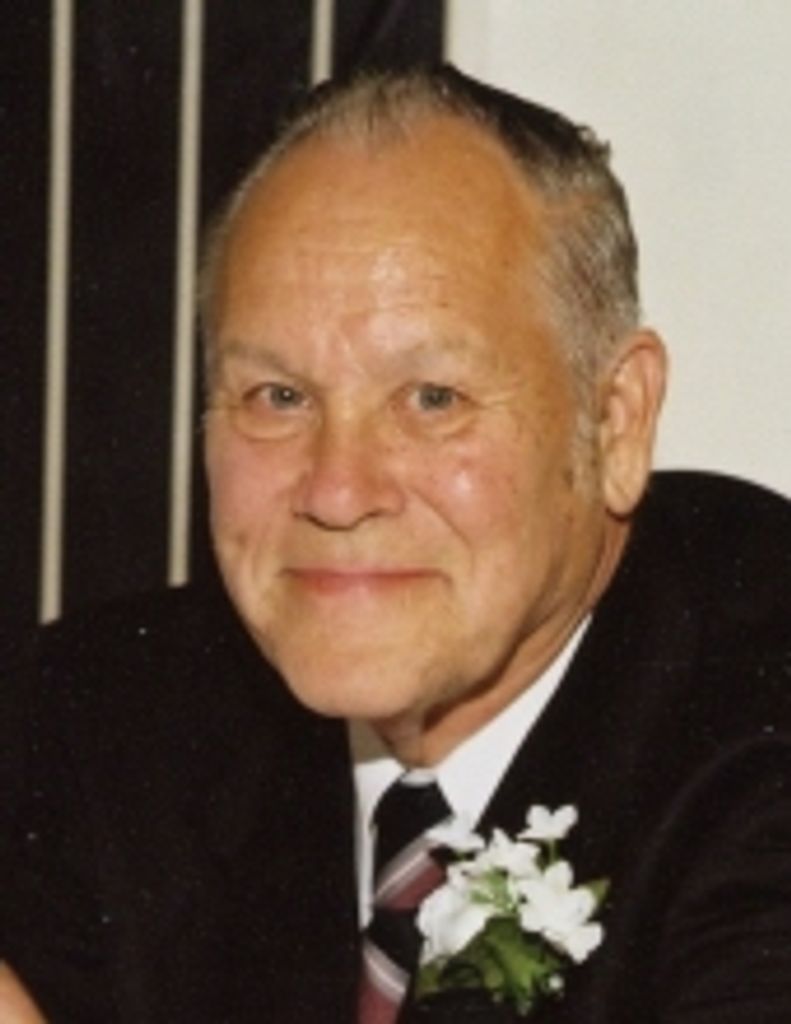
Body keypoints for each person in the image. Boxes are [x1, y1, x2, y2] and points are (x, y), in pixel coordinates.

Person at [2, 65, 791, 1023]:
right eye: (277, 398)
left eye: (432, 399)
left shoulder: (760, 720)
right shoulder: (106, 721)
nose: (337, 492)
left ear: (615, 421)